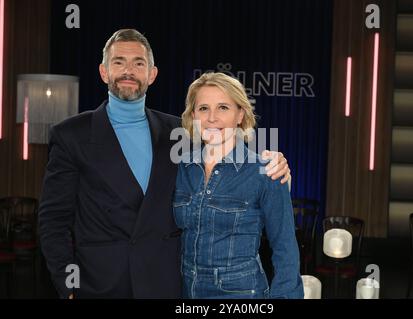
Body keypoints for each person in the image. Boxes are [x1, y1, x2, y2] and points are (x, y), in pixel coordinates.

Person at [38, 29, 291, 299]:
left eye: (138, 63)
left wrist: (274, 161)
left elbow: (225, 154)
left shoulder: (177, 133)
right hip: (99, 285)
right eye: (119, 62)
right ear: (103, 72)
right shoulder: (71, 134)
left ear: (152, 74)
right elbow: (53, 221)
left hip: (166, 284)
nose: (128, 71)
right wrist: (69, 286)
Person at [174, 72, 304, 299]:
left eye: (223, 107)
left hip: (240, 294)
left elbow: (285, 249)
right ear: (193, 115)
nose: (212, 117)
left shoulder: (266, 170)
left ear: (240, 114)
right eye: (203, 108)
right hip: (185, 291)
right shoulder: (181, 168)